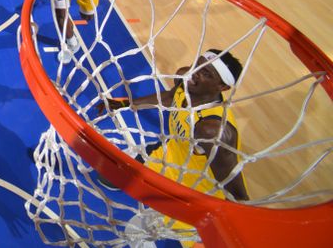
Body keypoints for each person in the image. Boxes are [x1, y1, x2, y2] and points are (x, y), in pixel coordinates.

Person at [97, 49, 250, 231]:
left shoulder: (212, 131)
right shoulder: (186, 79)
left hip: (191, 190)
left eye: (206, 73)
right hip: (166, 154)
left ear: (222, 87)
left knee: (135, 232)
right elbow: (169, 97)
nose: (195, 72)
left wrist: (239, 224)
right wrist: (125, 103)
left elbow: (236, 190)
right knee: (107, 177)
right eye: (198, 64)